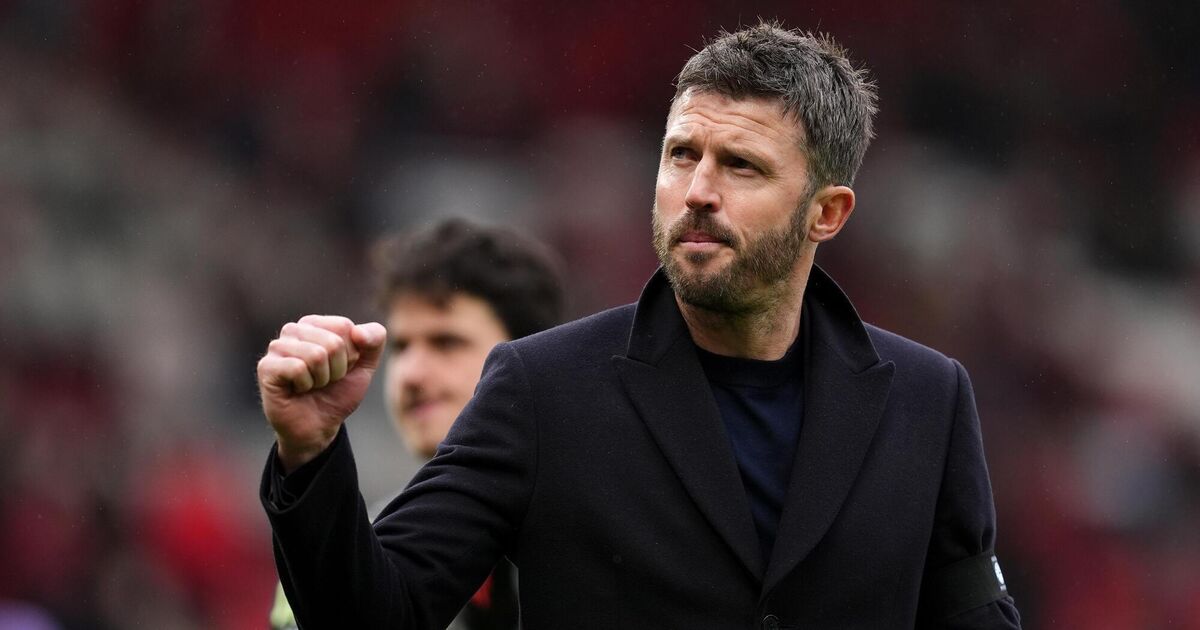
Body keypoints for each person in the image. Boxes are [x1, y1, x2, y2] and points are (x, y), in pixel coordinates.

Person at [257, 22, 1022, 629]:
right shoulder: (542, 392)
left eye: (741, 165)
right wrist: (310, 453)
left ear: (826, 212)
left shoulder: (928, 401)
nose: (697, 191)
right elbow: (378, 613)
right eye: (681, 155)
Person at [265, 218, 565, 630]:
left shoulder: (595, 526)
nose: (410, 375)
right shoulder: (359, 548)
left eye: (447, 342)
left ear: (531, 358)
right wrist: (306, 450)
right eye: (401, 347)